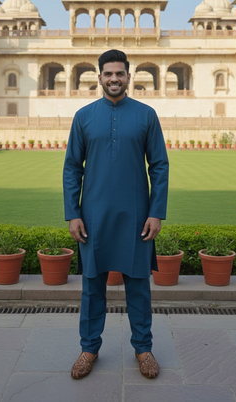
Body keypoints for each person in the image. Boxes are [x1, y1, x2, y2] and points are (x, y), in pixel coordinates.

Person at [63, 49, 169, 380]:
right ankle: (89, 348)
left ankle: (143, 347)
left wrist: (156, 212)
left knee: (138, 285)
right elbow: (71, 168)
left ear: (128, 76)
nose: (114, 79)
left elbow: (160, 165)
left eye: (119, 74)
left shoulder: (146, 115)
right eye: (108, 74)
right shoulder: (83, 116)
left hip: (136, 216)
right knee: (92, 287)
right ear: (99, 77)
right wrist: (73, 213)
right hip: (93, 216)